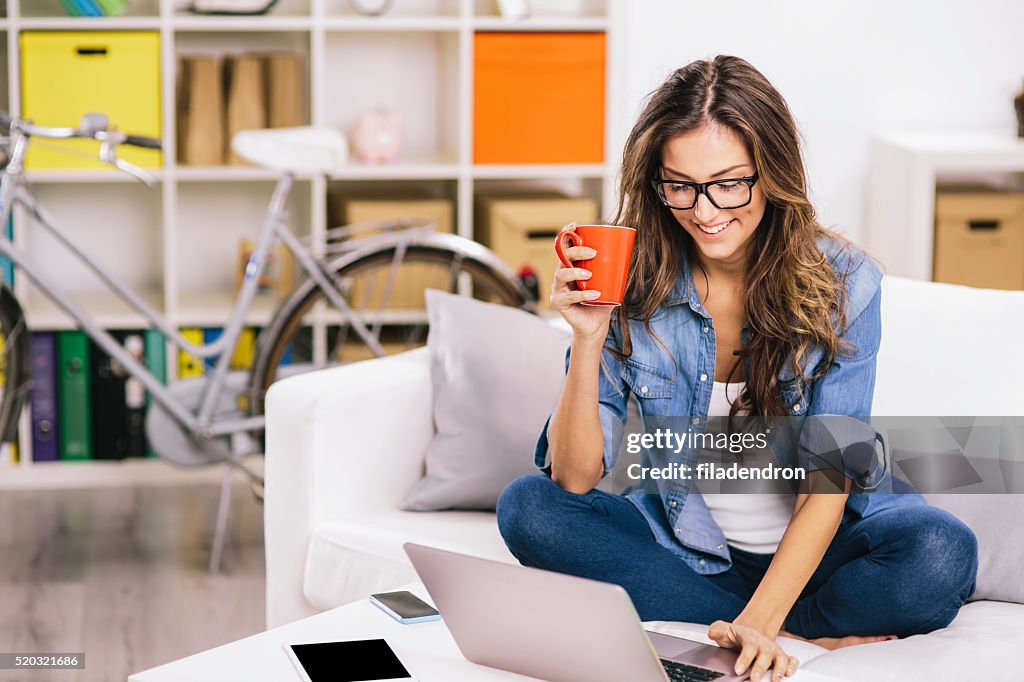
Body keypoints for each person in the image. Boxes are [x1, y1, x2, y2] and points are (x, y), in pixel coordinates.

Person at [496, 55, 978, 682]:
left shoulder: (846, 283)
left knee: (940, 553)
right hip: (688, 548)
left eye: (729, 183)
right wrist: (586, 339)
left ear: (772, 174)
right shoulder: (632, 281)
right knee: (529, 507)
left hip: (823, 545)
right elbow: (577, 476)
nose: (704, 210)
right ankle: (809, 630)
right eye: (681, 185)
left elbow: (826, 489)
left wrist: (760, 622)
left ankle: (757, 623)